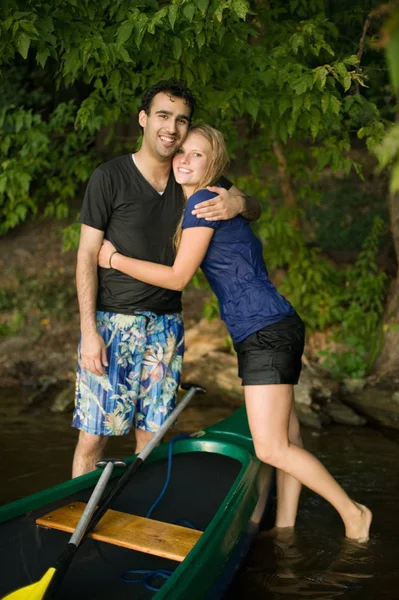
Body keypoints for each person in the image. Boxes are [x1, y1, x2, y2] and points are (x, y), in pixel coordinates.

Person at [98, 123, 372, 542]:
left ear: (214, 164)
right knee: (291, 437)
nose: (185, 160)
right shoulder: (213, 195)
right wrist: (241, 199)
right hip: (272, 325)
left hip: (264, 330)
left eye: (198, 155)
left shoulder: (204, 202)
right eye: (182, 153)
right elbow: (250, 205)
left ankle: (353, 514)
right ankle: (284, 528)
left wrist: (113, 259)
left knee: (270, 449)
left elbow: (177, 277)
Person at [72, 80, 260, 478]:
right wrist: (89, 331)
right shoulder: (109, 177)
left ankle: (141, 520)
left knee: (152, 440)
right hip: (112, 325)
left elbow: (255, 206)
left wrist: (239, 201)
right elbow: (87, 254)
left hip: (166, 328)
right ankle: (78, 522)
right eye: (163, 116)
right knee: (92, 439)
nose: (171, 128)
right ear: (143, 119)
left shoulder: (192, 177)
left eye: (181, 120)